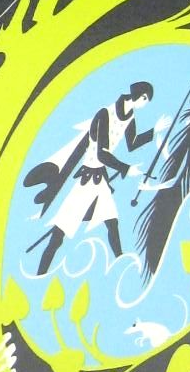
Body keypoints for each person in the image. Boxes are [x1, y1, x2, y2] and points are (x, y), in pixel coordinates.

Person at [24, 82, 169, 270]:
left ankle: (120, 262)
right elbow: (102, 154)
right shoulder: (105, 114)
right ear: (142, 97)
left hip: (100, 180)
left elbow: (132, 143)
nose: (144, 104)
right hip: (87, 179)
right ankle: (41, 272)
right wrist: (126, 168)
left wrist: (154, 131)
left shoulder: (129, 116)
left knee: (112, 222)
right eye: (146, 100)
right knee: (58, 236)